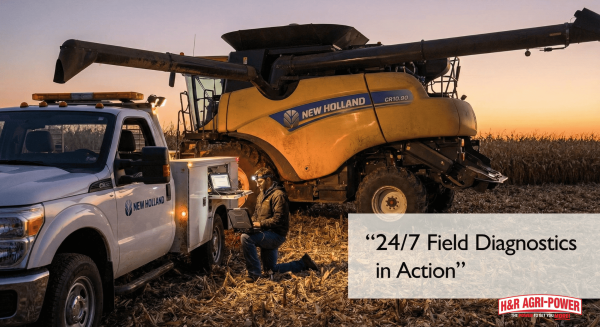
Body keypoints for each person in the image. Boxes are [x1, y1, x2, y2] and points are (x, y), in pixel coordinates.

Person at [240, 167, 318, 283]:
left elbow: (278, 220)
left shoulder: (278, 195)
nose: (257, 185)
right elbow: (256, 214)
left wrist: (259, 224)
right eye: (256, 182)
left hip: (275, 235)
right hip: (265, 232)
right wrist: (249, 223)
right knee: (271, 270)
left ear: (268, 180)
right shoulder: (262, 195)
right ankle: (303, 263)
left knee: (246, 238)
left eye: (260, 182)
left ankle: (254, 275)